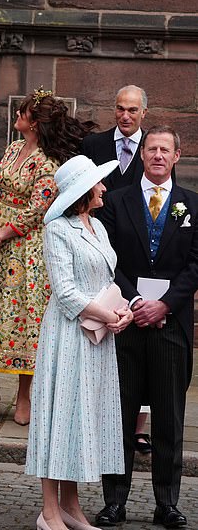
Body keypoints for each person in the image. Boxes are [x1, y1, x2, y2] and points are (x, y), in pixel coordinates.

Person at [96, 126, 198, 529]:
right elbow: (107, 261)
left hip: (171, 325)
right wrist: (136, 302)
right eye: (151, 148)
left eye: (164, 150)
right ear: (142, 156)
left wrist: (165, 305)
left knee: (170, 418)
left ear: (177, 155)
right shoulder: (116, 202)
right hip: (126, 321)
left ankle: (167, 503)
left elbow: (195, 264)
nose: (157, 155)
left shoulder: (191, 204)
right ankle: (114, 502)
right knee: (119, 415)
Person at [0, 88, 93, 426]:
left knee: (26, 320)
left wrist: (3, 232)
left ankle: (25, 395)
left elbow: (37, 210)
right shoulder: (12, 149)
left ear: (34, 123)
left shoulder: (49, 161)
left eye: (23, 112)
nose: (17, 115)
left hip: (26, 250)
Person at [25, 155, 131, 530]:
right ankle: (49, 511)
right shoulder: (57, 229)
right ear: (84, 191)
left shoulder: (98, 227)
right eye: (98, 183)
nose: (104, 187)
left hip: (98, 338)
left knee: (81, 417)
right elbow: (65, 292)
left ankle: (71, 507)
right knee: (60, 416)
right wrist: (109, 316)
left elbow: (106, 279)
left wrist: (123, 311)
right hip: (68, 335)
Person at [81, 85, 148, 191]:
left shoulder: (155, 149)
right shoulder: (92, 144)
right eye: (120, 109)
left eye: (132, 110)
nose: (125, 116)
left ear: (143, 112)